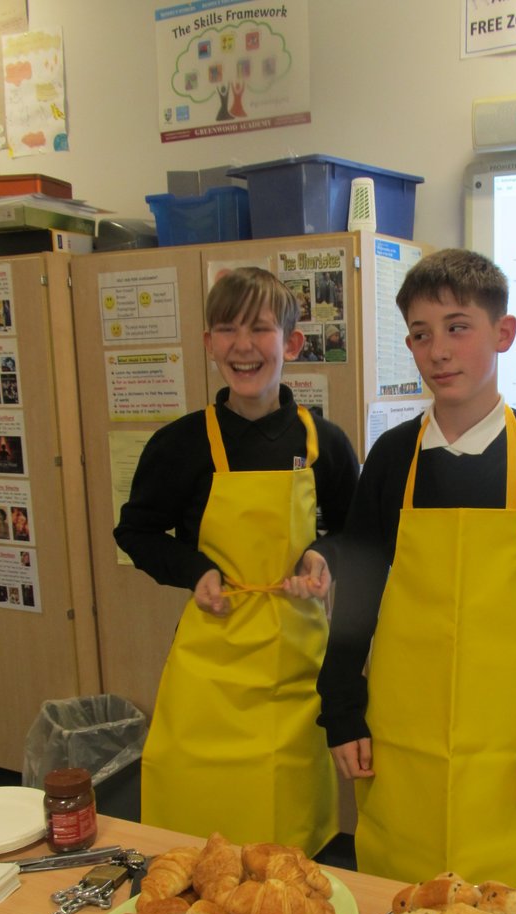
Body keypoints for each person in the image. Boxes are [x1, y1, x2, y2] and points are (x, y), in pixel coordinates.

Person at [317, 248, 516, 897]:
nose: (438, 350)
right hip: (403, 753)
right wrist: (342, 710)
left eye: (458, 327)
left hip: (513, 764)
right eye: (421, 334)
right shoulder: (393, 460)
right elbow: (356, 599)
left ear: (502, 334)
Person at [115, 267, 359, 854]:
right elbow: (138, 531)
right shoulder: (180, 444)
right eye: (226, 329)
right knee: (201, 839)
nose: (242, 345)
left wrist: (321, 556)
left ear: (292, 344)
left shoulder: (323, 443)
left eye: (261, 329)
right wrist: (193, 570)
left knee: (289, 847)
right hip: (211, 669)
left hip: (297, 668)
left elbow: (356, 534)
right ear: (208, 344)